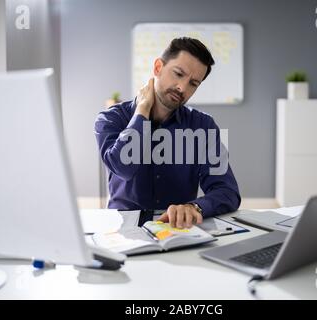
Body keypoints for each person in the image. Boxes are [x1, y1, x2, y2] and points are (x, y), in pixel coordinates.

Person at [95, 37, 240, 229]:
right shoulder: (110, 119)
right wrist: (142, 111)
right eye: (178, 74)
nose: (182, 88)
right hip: (123, 229)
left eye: (193, 84)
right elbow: (124, 168)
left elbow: (227, 191)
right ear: (157, 68)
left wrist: (194, 207)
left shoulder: (203, 126)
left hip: (177, 230)